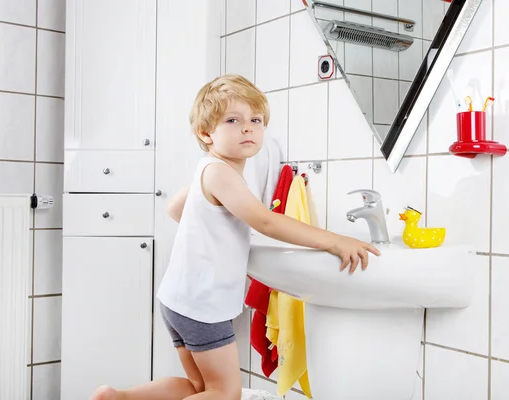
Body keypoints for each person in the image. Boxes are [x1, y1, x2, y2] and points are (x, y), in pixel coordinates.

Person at [90, 74, 380, 400]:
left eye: (255, 120)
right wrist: (334, 240)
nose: (248, 128)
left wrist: (216, 231)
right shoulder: (221, 173)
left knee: (200, 388)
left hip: (179, 299)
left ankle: (119, 398)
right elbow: (267, 222)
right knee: (225, 394)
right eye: (233, 120)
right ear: (206, 133)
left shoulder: (207, 168)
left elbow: (175, 208)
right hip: (202, 305)